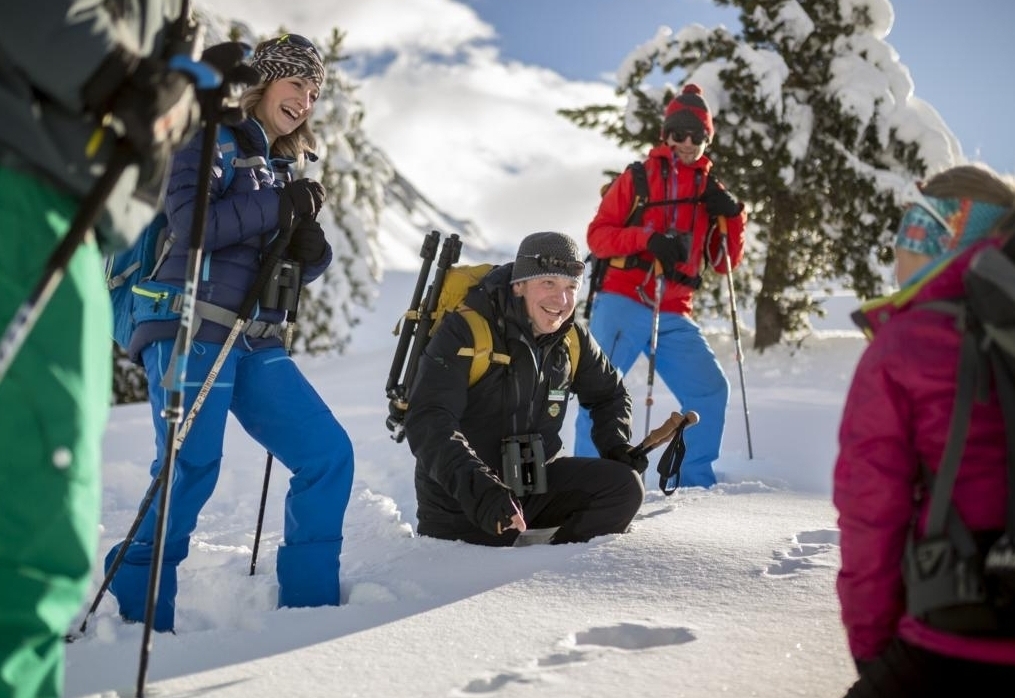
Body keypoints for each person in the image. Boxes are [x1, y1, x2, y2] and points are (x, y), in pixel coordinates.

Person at [104, 34, 354, 633]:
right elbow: (192, 227)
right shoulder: (208, 137)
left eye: (315, 91)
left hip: (253, 337)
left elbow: (273, 261)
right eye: (296, 83)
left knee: (327, 455)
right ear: (264, 82)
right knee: (191, 466)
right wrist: (279, 209)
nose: (306, 99)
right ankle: (139, 613)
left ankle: (311, 611)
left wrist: (308, 248)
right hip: (189, 324)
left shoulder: (279, 164)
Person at [0, 2, 216, 695]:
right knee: (35, 500)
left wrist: (186, 92)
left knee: (46, 489)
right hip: (28, 194)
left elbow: (150, 115)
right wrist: (116, 75)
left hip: (73, 210)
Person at [834, 163, 1015, 696]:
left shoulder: (908, 343)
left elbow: (872, 512)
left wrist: (872, 649)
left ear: (945, 236)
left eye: (911, 229)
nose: (896, 251)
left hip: (952, 633)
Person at [404, 232, 646, 546]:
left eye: (571, 287)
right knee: (483, 555)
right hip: (465, 501)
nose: (561, 301)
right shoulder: (466, 330)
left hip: (533, 483)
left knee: (624, 487)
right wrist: (483, 491)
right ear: (519, 285)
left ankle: (551, 573)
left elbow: (610, 394)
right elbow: (428, 421)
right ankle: (523, 578)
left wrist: (615, 445)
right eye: (548, 284)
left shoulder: (571, 338)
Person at [574, 83, 748, 488]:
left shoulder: (711, 193)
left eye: (696, 136)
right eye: (678, 134)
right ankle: (588, 484)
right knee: (599, 396)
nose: (686, 143)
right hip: (621, 300)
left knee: (709, 390)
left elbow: (725, 264)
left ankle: (694, 483)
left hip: (673, 311)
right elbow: (598, 236)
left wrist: (734, 217)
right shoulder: (637, 178)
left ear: (707, 139)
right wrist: (646, 240)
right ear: (665, 135)